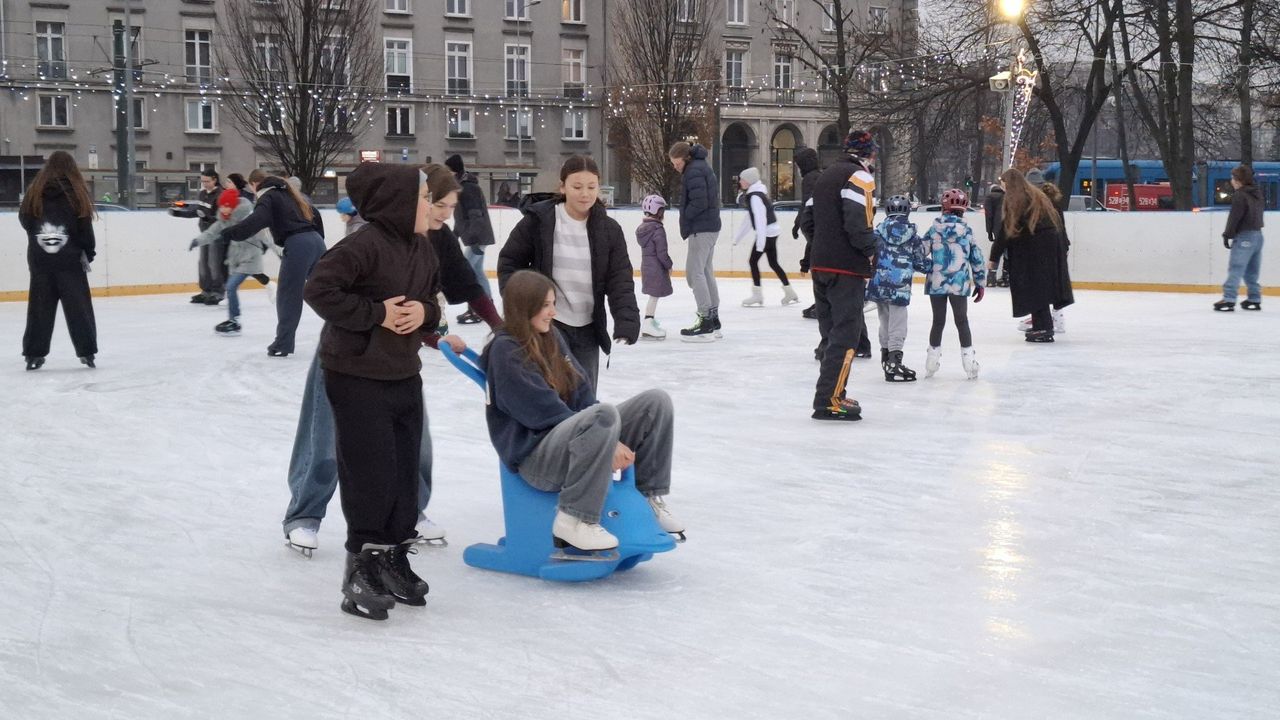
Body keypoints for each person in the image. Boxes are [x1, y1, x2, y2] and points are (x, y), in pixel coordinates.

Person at [284, 165, 501, 559]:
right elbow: (334, 291)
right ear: (415, 201)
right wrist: (393, 320)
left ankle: (409, 513)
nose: (444, 216)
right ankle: (305, 514)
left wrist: (495, 328)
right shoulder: (369, 238)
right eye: (438, 205)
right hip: (349, 351)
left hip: (396, 358)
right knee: (326, 439)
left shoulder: (434, 238)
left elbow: (456, 287)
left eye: (451, 208)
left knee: (412, 442)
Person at [301, 162, 445, 620]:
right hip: (356, 375)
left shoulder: (422, 249)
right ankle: (360, 566)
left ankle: (393, 555)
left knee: (404, 471)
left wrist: (424, 314)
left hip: (404, 371)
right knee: (370, 471)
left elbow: (432, 298)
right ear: (399, 203)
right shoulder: (361, 245)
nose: (430, 205)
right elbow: (319, 290)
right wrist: (374, 314)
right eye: (424, 197)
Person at [479, 270, 684, 554]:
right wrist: (606, 437)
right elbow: (540, 411)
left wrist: (606, 433)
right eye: (545, 305)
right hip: (536, 457)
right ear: (523, 306)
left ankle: (648, 498)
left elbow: (581, 390)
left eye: (553, 303)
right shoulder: (505, 350)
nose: (553, 312)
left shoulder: (552, 337)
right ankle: (574, 519)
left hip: (570, 439)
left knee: (655, 402)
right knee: (603, 416)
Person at [497, 155, 640, 389]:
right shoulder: (540, 221)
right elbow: (510, 262)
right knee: (549, 393)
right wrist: (521, 306)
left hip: (588, 329)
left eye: (591, 187)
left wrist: (626, 321)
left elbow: (620, 279)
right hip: (548, 325)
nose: (585, 193)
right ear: (562, 187)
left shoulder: (609, 230)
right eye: (577, 186)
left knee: (583, 397)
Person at [801, 129, 879, 421]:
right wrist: (871, 252)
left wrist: (822, 244)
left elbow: (807, 221)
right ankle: (830, 399)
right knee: (846, 336)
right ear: (869, 154)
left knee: (830, 334)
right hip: (846, 267)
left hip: (820, 265)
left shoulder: (824, 177)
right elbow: (859, 224)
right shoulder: (860, 177)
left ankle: (832, 394)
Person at [219, 170, 327, 357]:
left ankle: (283, 344)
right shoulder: (290, 193)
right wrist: (317, 239)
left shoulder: (268, 196)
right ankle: (354, 330)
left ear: (254, 185)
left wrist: (229, 234)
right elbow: (314, 213)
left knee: (288, 295)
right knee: (325, 292)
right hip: (316, 241)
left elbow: (257, 220)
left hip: (298, 244)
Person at [19, 150, 98, 371]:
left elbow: (24, 219)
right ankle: (87, 352)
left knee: (39, 307)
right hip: (70, 260)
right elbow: (84, 228)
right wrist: (88, 253)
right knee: (79, 308)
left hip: (40, 260)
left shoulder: (34, 191)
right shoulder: (77, 193)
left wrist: (37, 238)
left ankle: (34, 354)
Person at [988, 168, 1072, 343]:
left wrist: (993, 258)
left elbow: (1005, 230)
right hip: (1047, 244)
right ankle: (1042, 324)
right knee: (1038, 286)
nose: (1002, 187)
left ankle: (1044, 327)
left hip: (1037, 247)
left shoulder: (1017, 199)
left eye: (1003, 183)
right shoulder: (1033, 195)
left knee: (1035, 286)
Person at [190, 188, 275, 336]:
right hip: (235, 258)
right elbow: (211, 233)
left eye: (226, 205)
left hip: (250, 258)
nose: (223, 208)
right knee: (231, 289)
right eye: (221, 206)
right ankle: (233, 320)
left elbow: (265, 236)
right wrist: (198, 241)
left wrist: (279, 251)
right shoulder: (224, 219)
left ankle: (234, 320)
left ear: (233, 205)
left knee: (230, 286)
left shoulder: (247, 218)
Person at [922, 188, 986, 379]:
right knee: (962, 321)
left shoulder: (934, 229)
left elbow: (920, 252)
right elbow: (977, 258)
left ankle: (931, 363)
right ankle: (969, 363)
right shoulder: (966, 231)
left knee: (938, 321)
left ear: (944, 207)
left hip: (937, 283)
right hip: (958, 283)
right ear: (963, 210)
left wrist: (930, 267)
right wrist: (980, 282)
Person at [865, 194, 929, 382]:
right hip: (899, 286)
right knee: (898, 324)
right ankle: (894, 362)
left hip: (879, 284)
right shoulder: (912, 237)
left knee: (884, 321)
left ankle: (886, 358)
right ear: (908, 211)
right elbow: (919, 261)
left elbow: (869, 254)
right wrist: (933, 267)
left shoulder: (877, 234)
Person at [668, 141, 723, 341]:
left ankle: (705, 319)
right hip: (709, 227)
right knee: (706, 271)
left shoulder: (693, 171)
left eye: (676, 164)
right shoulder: (701, 166)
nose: (676, 168)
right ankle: (713, 317)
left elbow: (700, 202)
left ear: (686, 158)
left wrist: (686, 217)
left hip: (701, 228)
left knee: (694, 273)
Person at [734, 167, 799, 307]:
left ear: (749, 181)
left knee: (753, 261)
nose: (740, 182)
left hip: (767, 233)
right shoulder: (755, 194)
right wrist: (738, 238)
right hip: (771, 232)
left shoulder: (755, 197)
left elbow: (760, 219)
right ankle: (790, 292)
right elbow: (749, 219)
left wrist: (760, 243)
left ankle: (757, 294)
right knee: (773, 263)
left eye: (742, 179)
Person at [445, 154, 497, 325]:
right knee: (476, 271)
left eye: (448, 171)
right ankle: (484, 305)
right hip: (477, 236)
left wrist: (474, 239)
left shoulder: (468, 188)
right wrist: (454, 234)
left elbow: (476, 216)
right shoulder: (461, 186)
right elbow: (462, 216)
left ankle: (479, 307)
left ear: (454, 171)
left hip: (478, 237)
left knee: (468, 271)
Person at [1214, 164, 1266, 312]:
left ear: (1238, 180)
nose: (1231, 180)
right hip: (1258, 235)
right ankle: (1254, 298)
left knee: (1236, 268)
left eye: (1233, 178)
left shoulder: (1240, 195)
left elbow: (1235, 217)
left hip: (1245, 236)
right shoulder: (1257, 193)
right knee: (1251, 271)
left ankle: (1229, 298)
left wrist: (1227, 234)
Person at [636, 194, 674, 339]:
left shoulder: (643, 229)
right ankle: (648, 322)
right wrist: (669, 265)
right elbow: (662, 252)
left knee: (654, 295)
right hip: (656, 267)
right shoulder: (657, 229)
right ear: (658, 211)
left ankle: (650, 320)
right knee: (654, 296)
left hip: (647, 266)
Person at [792, 147, 822, 319]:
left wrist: (798, 223)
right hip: (819, 224)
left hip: (816, 226)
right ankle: (820, 302)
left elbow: (807, 203)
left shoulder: (810, 179)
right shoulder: (817, 175)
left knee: (817, 265)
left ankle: (821, 303)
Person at [191, 169, 227, 306]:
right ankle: (206, 290)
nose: (204, 184)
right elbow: (196, 211)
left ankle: (217, 291)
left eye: (207, 181)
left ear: (214, 180)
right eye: (203, 181)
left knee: (214, 263)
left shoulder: (221, 195)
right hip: (204, 233)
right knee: (203, 263)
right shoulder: (202, 194)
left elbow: (222, 218)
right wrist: (179, 213)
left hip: (216, 234)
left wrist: (207, 218)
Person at [984, 183, 1008, 287]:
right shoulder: (1006, 196)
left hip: (997, 228)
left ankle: (991, 278)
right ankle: (1005, 277)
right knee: (1008, 252)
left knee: (996, 251)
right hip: (1009, 227)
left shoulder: (989, 197)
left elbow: (989, 215)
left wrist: (989, 232)